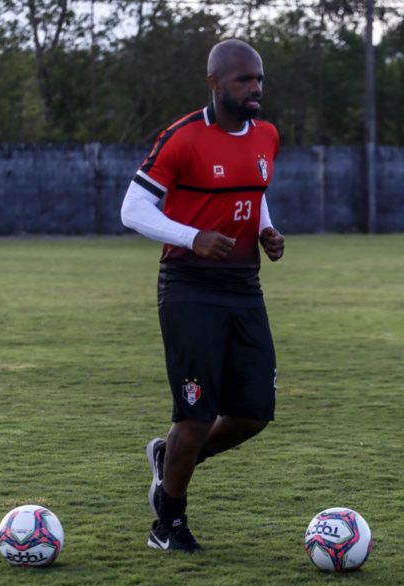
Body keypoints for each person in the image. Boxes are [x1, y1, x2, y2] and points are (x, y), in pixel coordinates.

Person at [120, 39, 285, 553]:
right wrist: (192, 237)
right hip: (190, 287)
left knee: (254, 412)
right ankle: (166, 525)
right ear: (215, 83)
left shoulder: (267, 136)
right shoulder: (183, 138)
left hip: (243, 286)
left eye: (258, 79)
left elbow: (253, 195)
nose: (254, 88)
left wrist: (267, 229)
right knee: (193, 414)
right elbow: (132, 209)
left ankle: (170, 458)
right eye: (243, 80)